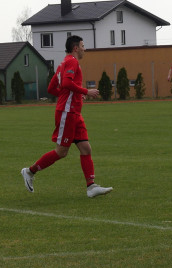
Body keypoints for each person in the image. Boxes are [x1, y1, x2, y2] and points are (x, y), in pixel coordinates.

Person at [20, 35, 113, 198]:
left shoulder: (63, 63)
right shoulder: (72, 62)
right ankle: (29, 171)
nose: (85, 49)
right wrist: (86, 92)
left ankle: (91, 187)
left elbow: (52, 88)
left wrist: (74, 96)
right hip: (67, 113)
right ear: (75, 48)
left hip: (74, 112)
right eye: (83, 46)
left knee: (86, 148)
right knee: (62, 151)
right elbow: (67, 84)